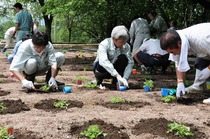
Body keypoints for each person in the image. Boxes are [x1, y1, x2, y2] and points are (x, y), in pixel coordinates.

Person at [160, 23, 210, 104]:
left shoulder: (202, 40)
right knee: (200, 61)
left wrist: (208, 69)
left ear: (179, 44)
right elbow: (178, 62)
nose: (173, 55)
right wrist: (180, 82)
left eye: (172, 52)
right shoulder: (179, 39)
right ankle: (198, 86)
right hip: (206, 51)